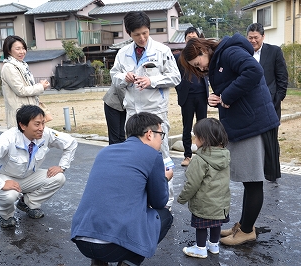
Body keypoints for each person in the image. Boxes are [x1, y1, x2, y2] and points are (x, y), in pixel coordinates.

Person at [179, 33, 280, 245]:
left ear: (203, 50)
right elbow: (233, 86)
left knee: (252, 180)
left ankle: (246, 231)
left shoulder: (229, 52)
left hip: (253, 124)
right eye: (195, 68)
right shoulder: (218, 61)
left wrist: (226, 96)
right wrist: (216, 99)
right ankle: (244, 224)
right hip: (245, 122)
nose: (200, 69)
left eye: (198, 63)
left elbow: (254, 71)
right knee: (248, 179)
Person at [71, 112, 174, 266]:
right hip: (111, 246)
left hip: (81, 238)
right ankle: (128, 262)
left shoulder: (105, 151)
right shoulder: (152, 156)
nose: (161, 140)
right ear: (150, 134)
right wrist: (164, 178)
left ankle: (99, 262)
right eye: (161, 134)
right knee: (165, 216)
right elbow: (159, 202)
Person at [110, 11, 181, 209]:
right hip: (133, 112)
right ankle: (141, 199)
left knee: (162, 155)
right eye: (136, 35)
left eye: (145, 33)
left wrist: (152, 81)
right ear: (129, 34)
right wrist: (124, 77)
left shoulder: (162, 50)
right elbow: (114, 76)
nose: (142, 38)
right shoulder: (122, 53)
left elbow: (176, 77)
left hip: (155, 111)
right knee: (134, 156)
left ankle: (166, 202)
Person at [0, 105, 78, 229]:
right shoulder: (9, 138)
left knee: (59, 177)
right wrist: (0, 183)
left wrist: (62, 166)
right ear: (22, 125)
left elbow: (71, 143)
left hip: (27, 177)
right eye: (37, 124)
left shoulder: (45, 134)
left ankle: (27, 203)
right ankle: (6, 216)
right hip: (4, 177)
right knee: (10, 194)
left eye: (43, 123)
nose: (41, 128)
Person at [177, 118, 230, 258]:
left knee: (201, 226)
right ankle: (214, 246)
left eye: (196, 136)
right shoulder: (225, 155)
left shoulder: (200, 159)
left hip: (204, 203)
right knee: (216, 224)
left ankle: (200, 248)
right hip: (221, 202)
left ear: (203, 139)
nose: (195, 139)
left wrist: (182, 197)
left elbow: (192, 183)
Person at [247, 23, 288, 182]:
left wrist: (278, 99)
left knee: (271, 139)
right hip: (250, 105)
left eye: (256, 38)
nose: (252, 41)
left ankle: (271, 173)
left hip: (271, 103)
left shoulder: (274, 51)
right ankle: (256, 171)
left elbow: (282, 78)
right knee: (254, 139)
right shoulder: (243, 53)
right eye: (250, 38)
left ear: (263, 37)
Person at [174, 27, 209, 167]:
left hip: (202, 95)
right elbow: (174, 76)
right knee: (186, 126)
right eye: (189, 38)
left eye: (194, 37)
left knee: (203, 126)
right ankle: (187, 155)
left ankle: (203, 155)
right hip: (187, 96)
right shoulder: (179, 57)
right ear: (185, 40)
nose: (192, 40)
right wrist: (180, 88)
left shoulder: (204, 55)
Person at [1, 35, 51, 129]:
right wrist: (40, 87)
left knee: (32, 141)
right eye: (18, 49)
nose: (22, 52)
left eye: (23, 48)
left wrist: (39, 85)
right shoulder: (9, 67)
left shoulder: (23, 66)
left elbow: (26, 87)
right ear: (9, 50)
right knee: (22, 141)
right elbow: (20, 90)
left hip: (29, 112)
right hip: (20, 113)